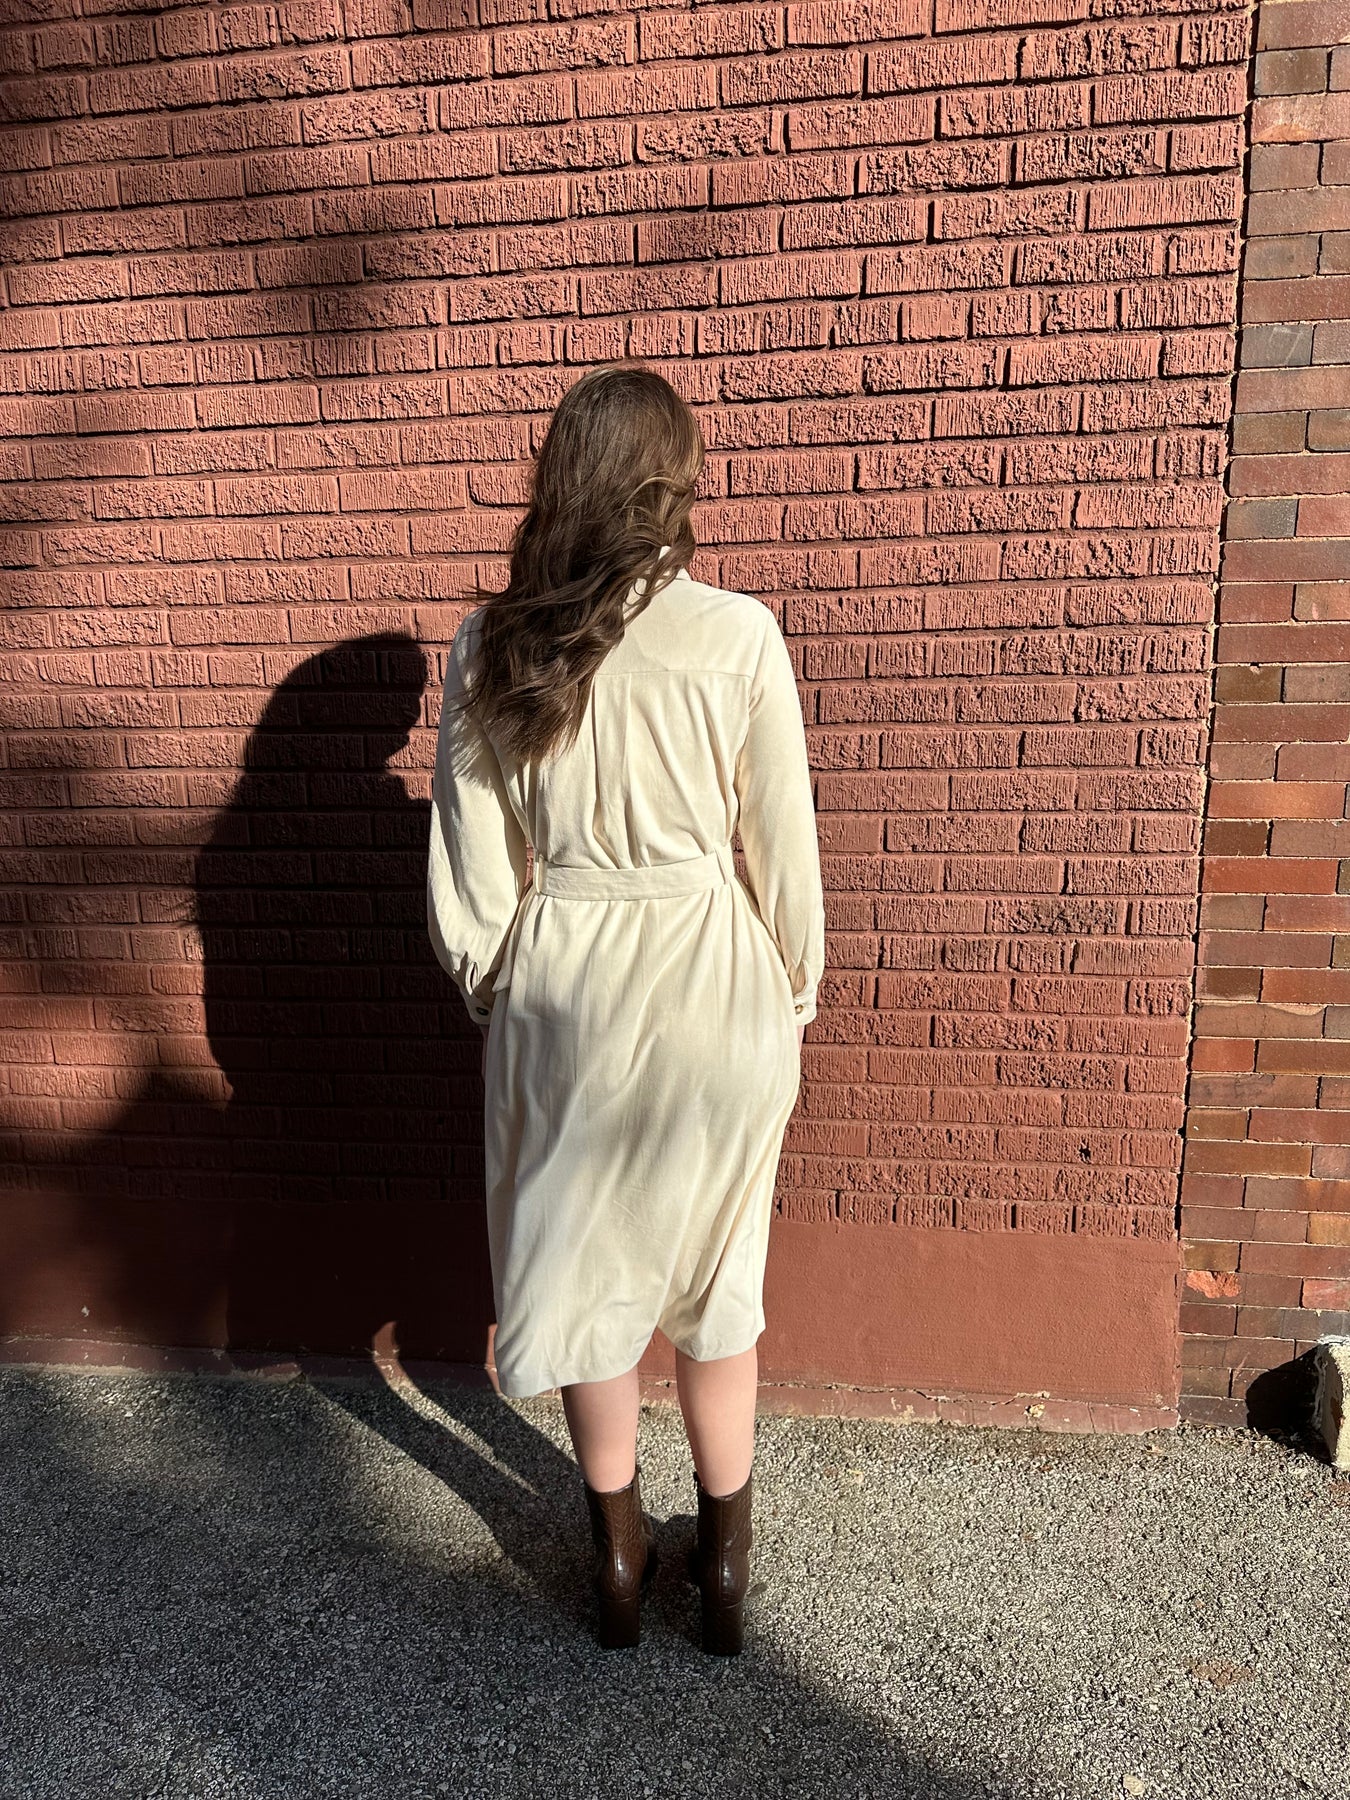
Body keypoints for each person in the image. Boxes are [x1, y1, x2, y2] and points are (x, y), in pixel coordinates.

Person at [426, 363, 826, 1654]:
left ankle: (614, 1556)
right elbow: (783, 842)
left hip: (568, 980)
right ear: (674, 480)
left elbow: (473, 858)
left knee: (585, 1271)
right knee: (720, 1280)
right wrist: (792, 982)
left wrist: (501, 981)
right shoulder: (738, 633)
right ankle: (725, 1564)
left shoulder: (496, 644)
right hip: (716, 972)